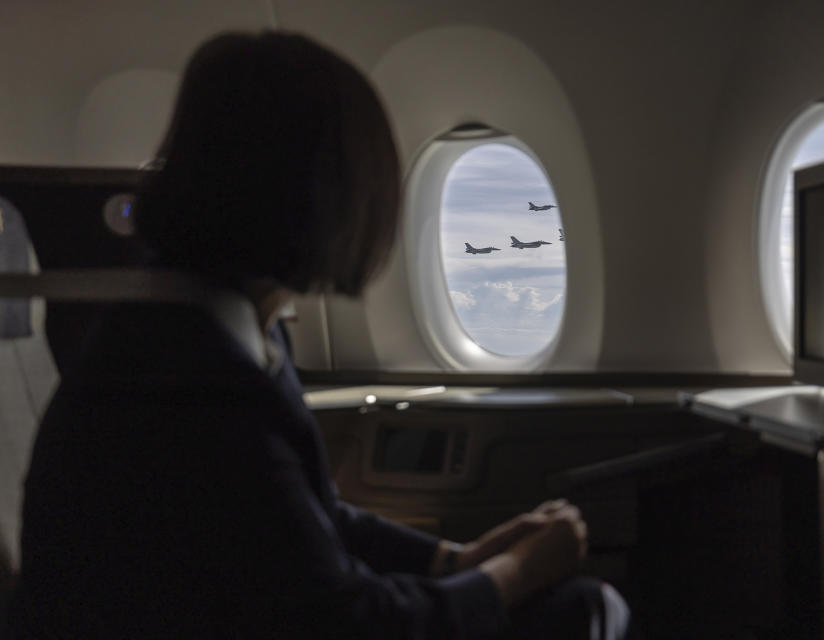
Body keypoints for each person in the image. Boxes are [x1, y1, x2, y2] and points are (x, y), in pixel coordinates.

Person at [12, 31, 629, 639]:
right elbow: (344, 621)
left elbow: (308, 518)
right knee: (581, 613)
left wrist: (454, 560)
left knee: (578, 608)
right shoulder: (188, 383)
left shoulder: (219, 327)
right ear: (320, 197)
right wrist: (511, 575)